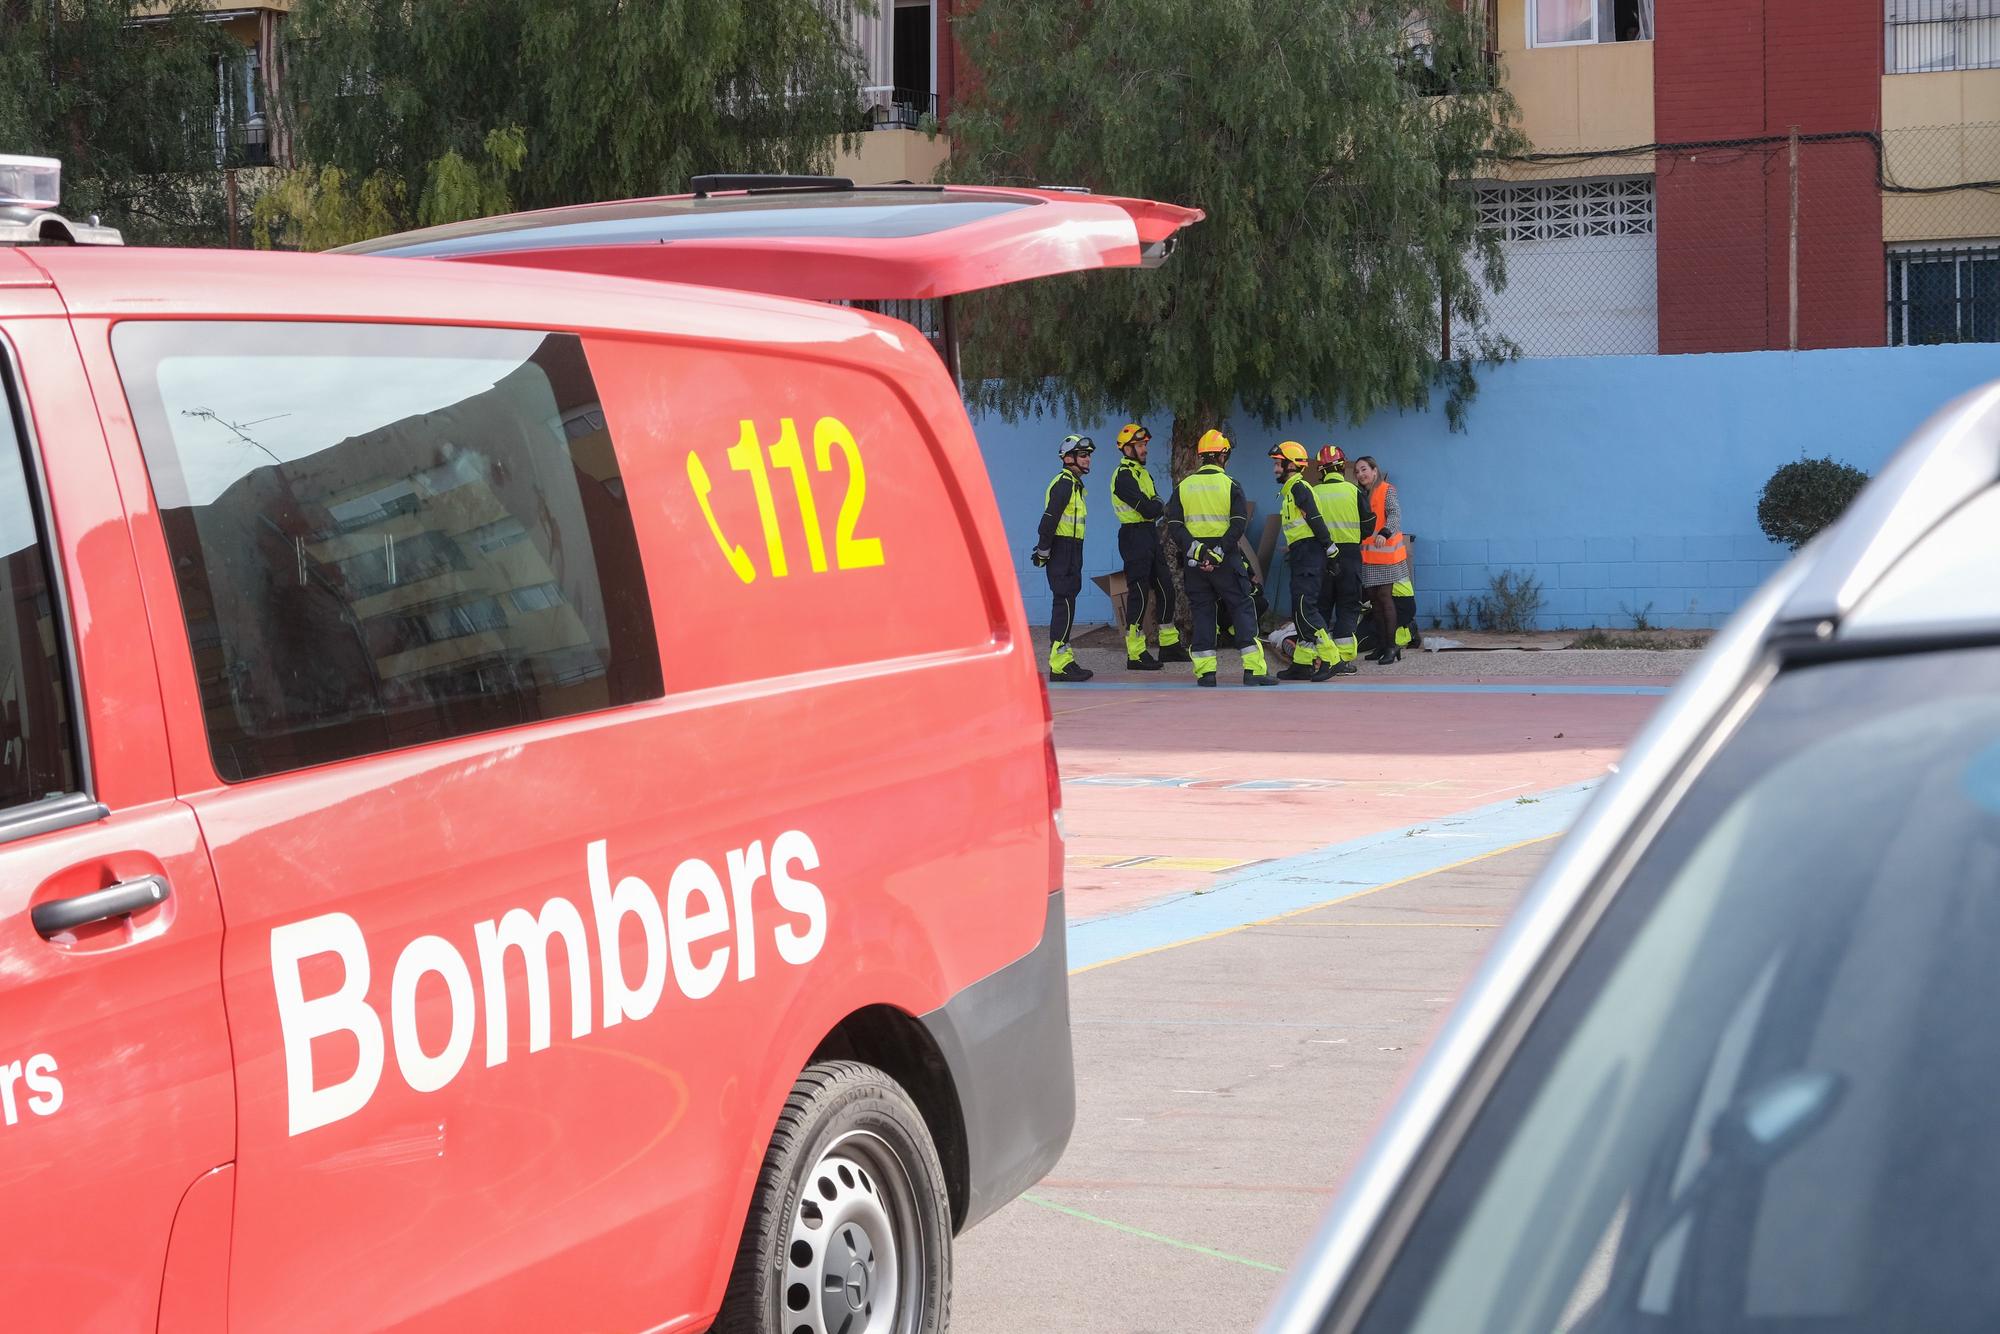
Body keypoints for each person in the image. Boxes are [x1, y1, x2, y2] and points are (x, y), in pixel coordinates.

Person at [1164, 429, 1276, 688]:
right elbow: (1238, 524)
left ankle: (1206, 674)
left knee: (1203, 612)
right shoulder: (1231, 485)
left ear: (1202, 456)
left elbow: (1174, 525)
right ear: (1223, 455)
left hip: (1194, 560)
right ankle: (1253, 671)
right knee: (1242, 608)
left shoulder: (1183, 487)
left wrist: (1198, 551)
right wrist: (1217, 553)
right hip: (1225, 558)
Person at [1109, 423, 1187, 669]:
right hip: (1133, 536)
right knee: (1139, 594)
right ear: (1127, 449)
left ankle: (1169, 646)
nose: (1144, 450)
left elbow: (1155, 505)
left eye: (1145, 445)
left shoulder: (1143, 473)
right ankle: (1135, 653)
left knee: (1166, 588)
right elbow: (1149, 507)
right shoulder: (1123, 476)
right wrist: (1155, 505)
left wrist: (1155, 505)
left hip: (1149, 534)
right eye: (1140, 445)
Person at [1268, 441, 1338, 682]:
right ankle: (1302, 663)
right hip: (1301, 554)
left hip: (1309, 554)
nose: (1275, 468)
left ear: (1291, 465)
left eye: (1279, 464)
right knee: (1298, 611)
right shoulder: (1291, 491)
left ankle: (1332, 658)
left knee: (1306, 609)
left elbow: (1316, 519)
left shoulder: (1299, 488)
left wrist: (1330, 549)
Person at [1033, 434, 1095, 682]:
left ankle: (1064, 660)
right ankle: (1059, 665)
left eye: (1088, 455)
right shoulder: (1064, 484)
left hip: (1071, 549)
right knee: (1064, 603)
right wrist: (1043, 551)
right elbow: (1049, 520)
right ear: (1068, 458)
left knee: (1068, 602)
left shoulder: (1074, 484)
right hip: (1062, 550)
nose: (1088, 459)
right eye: (1083, 455)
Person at [1311, 445, 1365, 676]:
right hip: (1350, 556)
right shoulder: (1354, 492)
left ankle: (1323, 658)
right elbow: (1368, 524)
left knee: (1321, 607)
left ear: (1321, 470)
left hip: (1321, 557)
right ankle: (1342, 661)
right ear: (1343, 467)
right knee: (1348, 606)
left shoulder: (1312, 492)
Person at [1351, 454, 1409, 664]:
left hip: (1387, 555)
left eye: (1364, 469)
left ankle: (1392, 646)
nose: (1361, 474)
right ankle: (1382, 645)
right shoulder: (1359, 494)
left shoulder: (1387, 490)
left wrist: (1384, 533)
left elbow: (1395, 514)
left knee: (1385, 599)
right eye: (1357, 471)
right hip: (1368, 556)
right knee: (1374, 601)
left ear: (1375, 470)